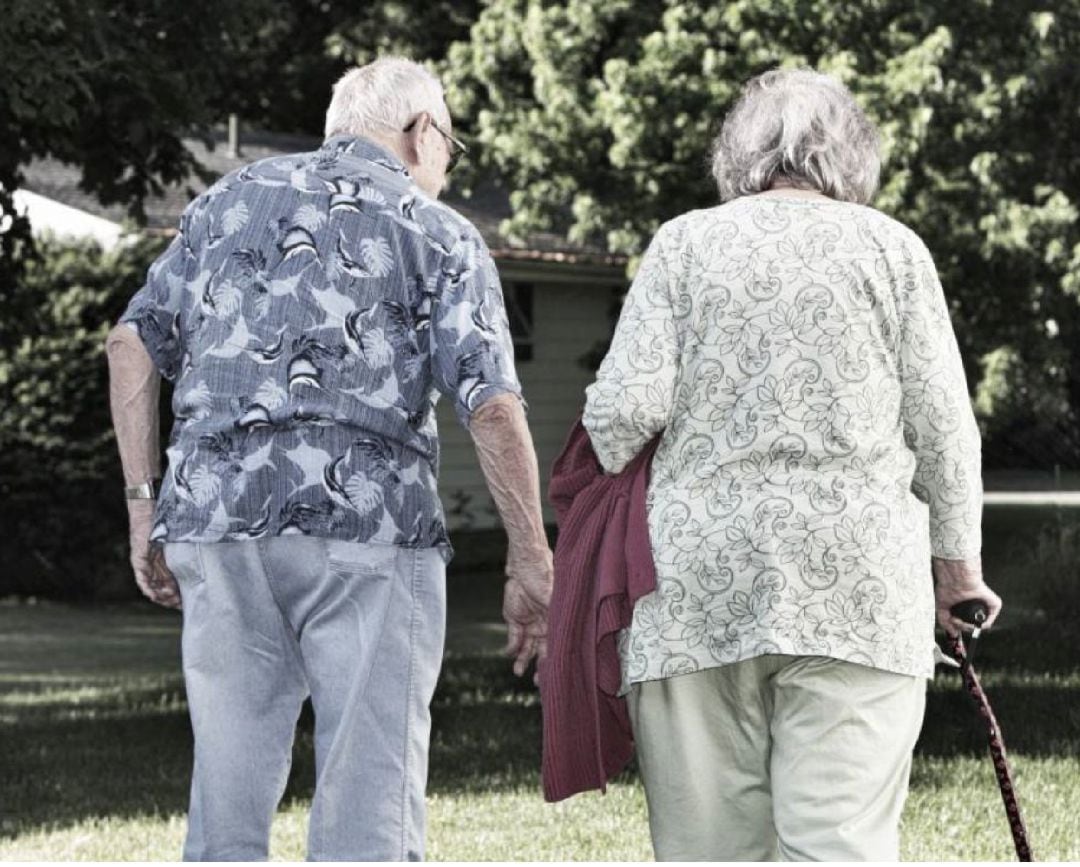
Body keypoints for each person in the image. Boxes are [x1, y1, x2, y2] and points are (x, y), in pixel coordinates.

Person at [106, 56, 552, 862]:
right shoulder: (437, 231)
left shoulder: (223, 204)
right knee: (369, 803)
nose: (447, 164)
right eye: (450, 143)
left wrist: (145, 506)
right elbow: (489, 401)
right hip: (369, 532)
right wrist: (530, 554)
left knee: (226, 800)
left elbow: (131, 343)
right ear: (421, 134)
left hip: (217, 522)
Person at [581, 68, 1002, 861]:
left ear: (741, 154)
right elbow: (946, 428)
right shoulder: (894, 249)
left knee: (708, 847)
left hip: (697, 586)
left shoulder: (684, 243)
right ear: (850, 155)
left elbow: (621, 415)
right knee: (839, 844)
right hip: (859, 586)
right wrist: (958, 572)